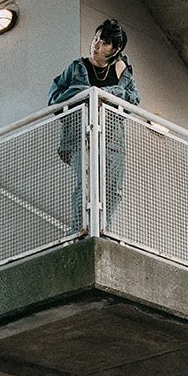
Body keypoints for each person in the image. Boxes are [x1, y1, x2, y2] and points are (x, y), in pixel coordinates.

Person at [48, 18, 140, 231]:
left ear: (115, 48)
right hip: (82, 136)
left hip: (112, 139)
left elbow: (134, 100)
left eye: (104, 42)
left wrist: (106, 92)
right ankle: (81, 231)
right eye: (96, 38)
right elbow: (54, 98)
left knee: (112, 189)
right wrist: (86, 94)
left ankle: (102, 231)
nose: (96, 44)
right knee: (86, 185)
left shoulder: (122, 72)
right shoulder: (77, 68)